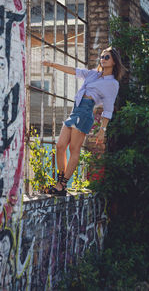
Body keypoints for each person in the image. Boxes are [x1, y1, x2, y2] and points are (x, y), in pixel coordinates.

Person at [42, 46, 125, 196]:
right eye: (102, 56)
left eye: (107, 57)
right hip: (76, 110)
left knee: (74, 149)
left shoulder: (112, 84)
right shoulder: (94, 74)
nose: (103, 59)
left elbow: (107, 109)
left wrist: (102, 130)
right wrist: (52, 65)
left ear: (114, 61)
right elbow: (74, 70)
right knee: (60, 146)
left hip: (86, 112)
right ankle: (60, 182)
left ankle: (61, 185)